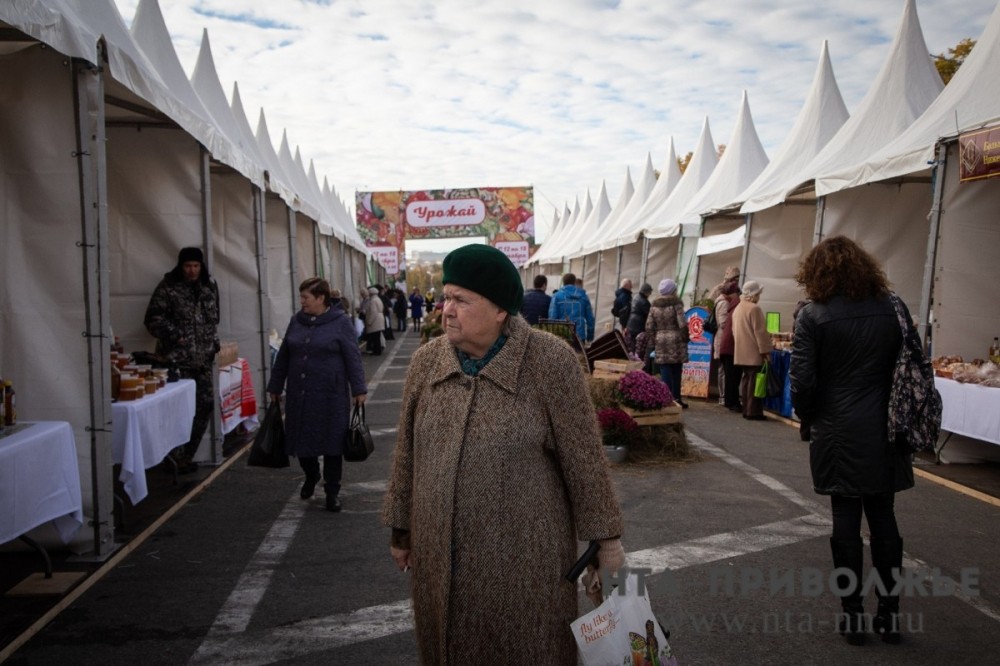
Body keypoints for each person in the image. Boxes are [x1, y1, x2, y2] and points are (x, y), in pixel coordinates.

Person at [381, 244, 625, 665]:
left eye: (462, 300)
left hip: (527, 567)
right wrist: (402, 530)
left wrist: (607, 543)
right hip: (439, 561)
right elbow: (407, 452)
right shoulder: (427, 363)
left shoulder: (550, 362)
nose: (447, 310)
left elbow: (583, 460)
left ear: (500, 311)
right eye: (446, 297)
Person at [790, 236, 913, 646]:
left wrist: (808, 417)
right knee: (884, 517)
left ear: (816, 272)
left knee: (845, 518)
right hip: (886, 427)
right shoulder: (892, 308)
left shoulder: (813, 315)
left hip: (837, 428)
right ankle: (890, 616)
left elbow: (803, 382)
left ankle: (854, 616)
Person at [267, 278, 368, 512]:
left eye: (306, 297)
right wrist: (275, 386)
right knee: (302, 442)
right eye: (301, 297)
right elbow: (284, 356)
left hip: (330, 396)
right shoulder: (296, 321)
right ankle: (311, 475)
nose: (301, 302)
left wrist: (359, 389)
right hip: (300, 395)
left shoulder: (341, 322)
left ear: (321, 298)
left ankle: (332, 491)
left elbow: (353, 357)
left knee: (333, 445)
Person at [144, 246, 220, 473]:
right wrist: (175, 335)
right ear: (181, 266)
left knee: (205, 405)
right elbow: (152, 320)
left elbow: (213, 319)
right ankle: (172, 458)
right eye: (187, 266)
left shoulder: (209, 287)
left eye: (196, 265)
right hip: (177, 361)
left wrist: (213, 342)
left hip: (203, 360)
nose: (192, 270)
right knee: (177, 411)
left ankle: (185, 456)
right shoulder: (168, 287)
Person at [731, 280, 772, 420]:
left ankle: (746, 409)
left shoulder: (738, 308)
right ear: (754, 294)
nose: (759, 296)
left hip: (741, 352)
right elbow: (760, 333)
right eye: (758, 293)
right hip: (753, 352)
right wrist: (765, 352)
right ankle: (753, 412)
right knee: (754, 382)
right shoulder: (754, 309)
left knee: (747, 380)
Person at [645, 278, 689, 408]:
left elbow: (648, 325)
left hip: (660, 339)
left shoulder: (654, 306)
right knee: (676, 369)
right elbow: (682, 324)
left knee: (664, 369)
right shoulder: (676, 304)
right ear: (673, 290)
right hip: (676, 339)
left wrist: (654, 339)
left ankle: (666, 398)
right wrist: (685, 338)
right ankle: (676, 398)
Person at [710, 266, 741, 403]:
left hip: (723, 338)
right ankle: (723, 396)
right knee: (723, 369)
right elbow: (722, 322)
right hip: (722, 338)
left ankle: (724, 395)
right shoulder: (723, 302)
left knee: (724, 369)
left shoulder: (722, 299)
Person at [548, 272, 595, 345]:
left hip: (562, 334)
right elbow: (590, 319)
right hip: (579, 335)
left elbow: (552, 318)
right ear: (574, 282)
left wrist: (553, 335)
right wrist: (590, 335)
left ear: (563, 282)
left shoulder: (556, 296)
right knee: (578, 356)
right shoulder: (583, 296)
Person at [717, 282, 743, 412]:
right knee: (733, 376)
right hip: (731, 345)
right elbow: (723, 323)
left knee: (729, 376)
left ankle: (729, 401)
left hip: (726, 345)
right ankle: (732, 402)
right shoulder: (737, 305)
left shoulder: (732, 305)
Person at [626, 283, 654, 352]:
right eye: (649, 292)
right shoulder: (644, 302)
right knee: (638, 344)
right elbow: (649, 314)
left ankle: (631, 356)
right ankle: (636, 358)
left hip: (631, 322)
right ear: (646, 292)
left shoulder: (635, 297)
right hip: (639, 324)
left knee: (632, 342)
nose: (650, 294)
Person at [360, 286, 385, 355]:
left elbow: (373, 312)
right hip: (379, 319)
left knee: (375, 337)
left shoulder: (373, 301)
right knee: (377, 336)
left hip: (375, 321)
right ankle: (378, 350)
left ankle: (376, 351)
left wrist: (369, 321)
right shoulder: (378, 299)